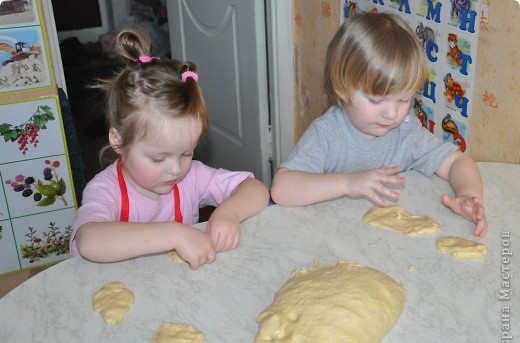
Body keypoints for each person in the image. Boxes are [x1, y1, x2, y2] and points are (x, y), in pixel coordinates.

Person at [270, 12, 487, 237]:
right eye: (376, 100)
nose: (392, 113)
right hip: (332, 240)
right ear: (342, 87)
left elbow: (457, 163)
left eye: (404, 99)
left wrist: (468, 196)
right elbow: (282, 189)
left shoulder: (405, 131)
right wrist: (348, 183)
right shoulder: (327, 134)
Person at [71, 27, 270, 268]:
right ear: (118, 141)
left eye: (187, 153)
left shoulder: (192, 177)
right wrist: (175, 234)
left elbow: (256, 190)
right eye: (158, 158)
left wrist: (230, 212)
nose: (176, 169)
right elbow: (89, 240)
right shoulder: (106, 190)